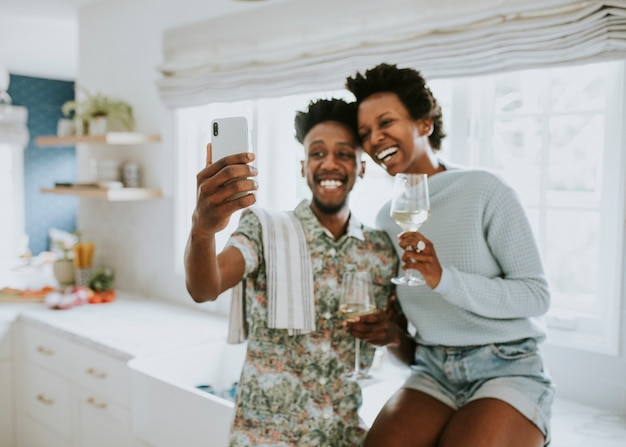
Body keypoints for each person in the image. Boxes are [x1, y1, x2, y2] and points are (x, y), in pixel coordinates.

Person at [343, 63, 556, 447]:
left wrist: (445, 280)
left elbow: (537, 296)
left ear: (424, 124)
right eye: (365, 133)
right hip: (433, 369)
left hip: (505, 365)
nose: (375, 139)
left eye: (386, 123)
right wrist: (391, 335)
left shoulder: (484, 189)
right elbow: (413, 332)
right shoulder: (385, 219)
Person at [184, 98, 398, 446]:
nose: (329, 163)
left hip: (343, 437)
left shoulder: (379, 250)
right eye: (317, 153)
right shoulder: (265, 228)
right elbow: (204, 287)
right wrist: (202, 229)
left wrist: (393, 335)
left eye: (344, 154)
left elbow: (405, 347)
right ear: (303, 166)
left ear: (361, 167)